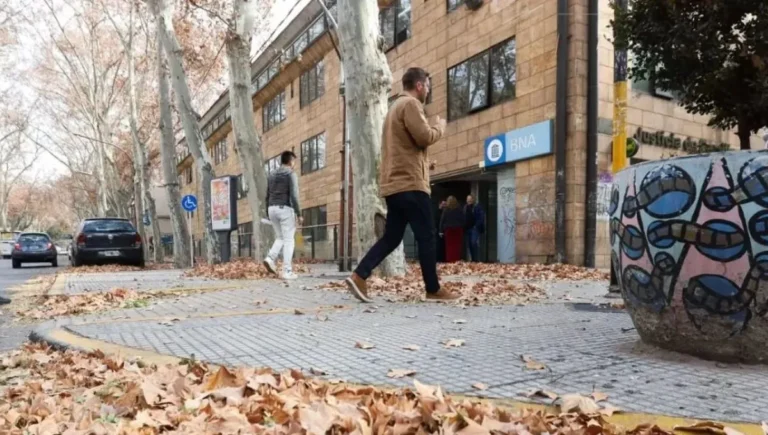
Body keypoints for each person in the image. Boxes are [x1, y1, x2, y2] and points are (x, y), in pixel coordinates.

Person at [345, 67, 459, 302]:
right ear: (418, 85)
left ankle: (359, 275)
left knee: (392, 238)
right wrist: (440, 127)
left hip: (395, 185)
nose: (428, 89)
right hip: (410, 186)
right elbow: (425, 137)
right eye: (427, 85)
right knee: (427, 236)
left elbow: (406, 149)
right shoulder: (411, 105)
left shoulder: (393, 108)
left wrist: (427, 166)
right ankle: (433, 289)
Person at [263, 150, 303, 280]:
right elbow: (294, 195)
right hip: (285, 209)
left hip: (271, 208)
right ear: (291, 161)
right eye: (294, 161)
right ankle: (287, 271)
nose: (294, 164)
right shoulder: (291, 174)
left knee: (280, 237)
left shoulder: (272, 174)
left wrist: (267, 211)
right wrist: (299, 213)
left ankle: (270, 258)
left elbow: (267, 195)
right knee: (289, 240)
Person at [439, 196, 465, 263]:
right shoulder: (459, 209)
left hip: (449, 230)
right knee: (457, 246)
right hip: (458, 229)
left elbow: (442, 221)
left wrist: (441, 231)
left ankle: (450, 260)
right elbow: (463, 220)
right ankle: (456, 259)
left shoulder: (446, 210)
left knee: (449, 246)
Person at [464, 195, 485, 262]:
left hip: (474, 228)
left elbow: (481, 217)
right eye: (468, 199)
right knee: (469, 244)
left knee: (473, 243)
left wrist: (476, 226)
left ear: (473, 200)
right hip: (467, 228)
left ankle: (476, 259)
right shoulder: (465, 207)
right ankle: (473, 259)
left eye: (470, 199)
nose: (469, 200)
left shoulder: (477, 207)